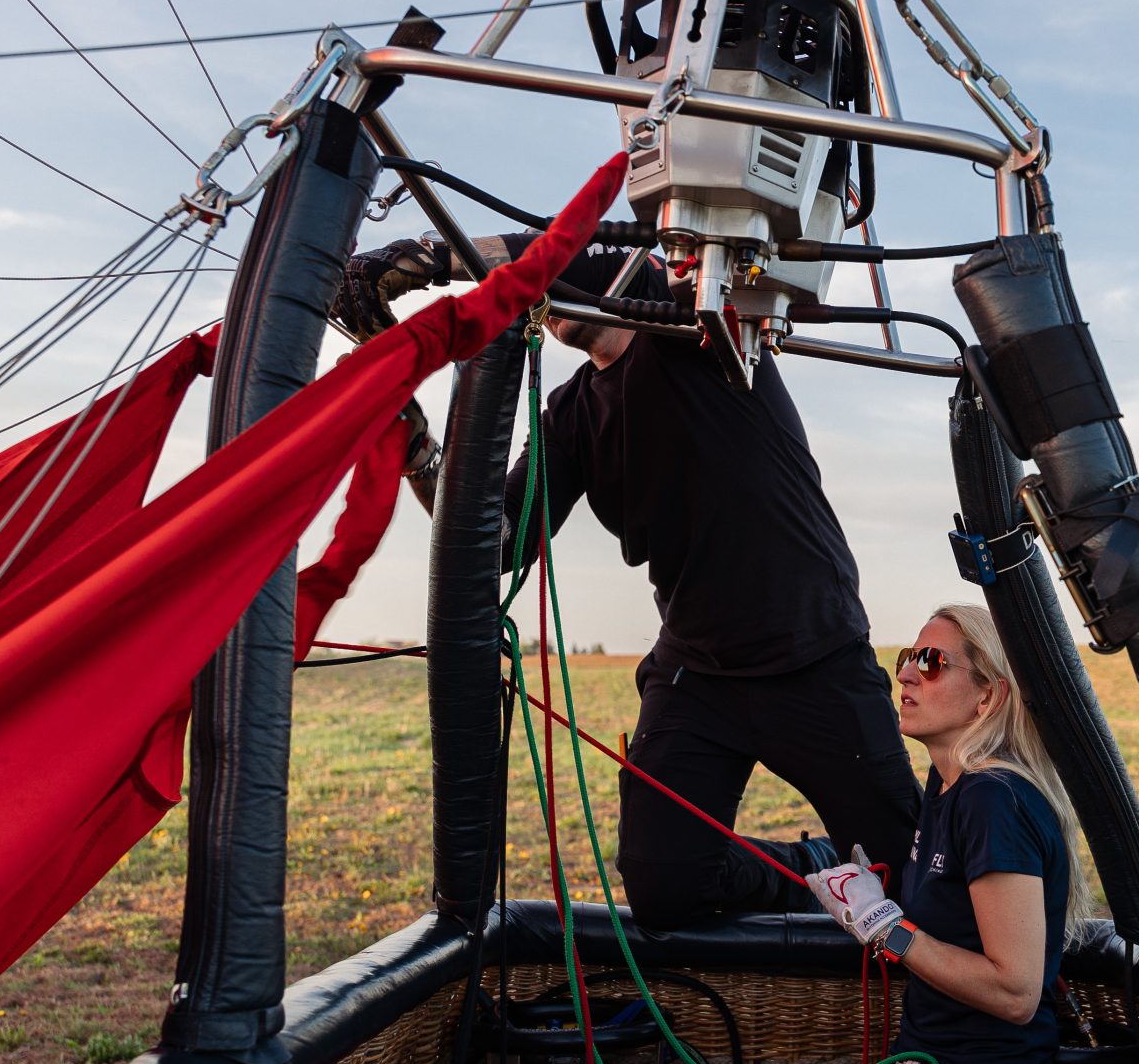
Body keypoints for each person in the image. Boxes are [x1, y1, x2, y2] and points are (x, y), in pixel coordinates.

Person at [337, 232, 919, 928]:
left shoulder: (691, 325)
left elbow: (555, 247)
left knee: (912, 870)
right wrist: (417, 449)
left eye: (554, 280)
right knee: (663, 882)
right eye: (541, 302)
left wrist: (422, 260)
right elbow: (494, 539)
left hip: (812, 650)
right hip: (698, 672)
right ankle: (815, 872)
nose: (548, 304)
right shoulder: (572, 412)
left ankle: (870, 874)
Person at [809, 604, 1090, 1064]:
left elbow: (1015, 992)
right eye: (908, 658)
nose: (907, 673)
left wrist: (883, 924)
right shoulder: (946, 791)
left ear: (988, 696)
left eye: (932, 662)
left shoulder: (992, 799)